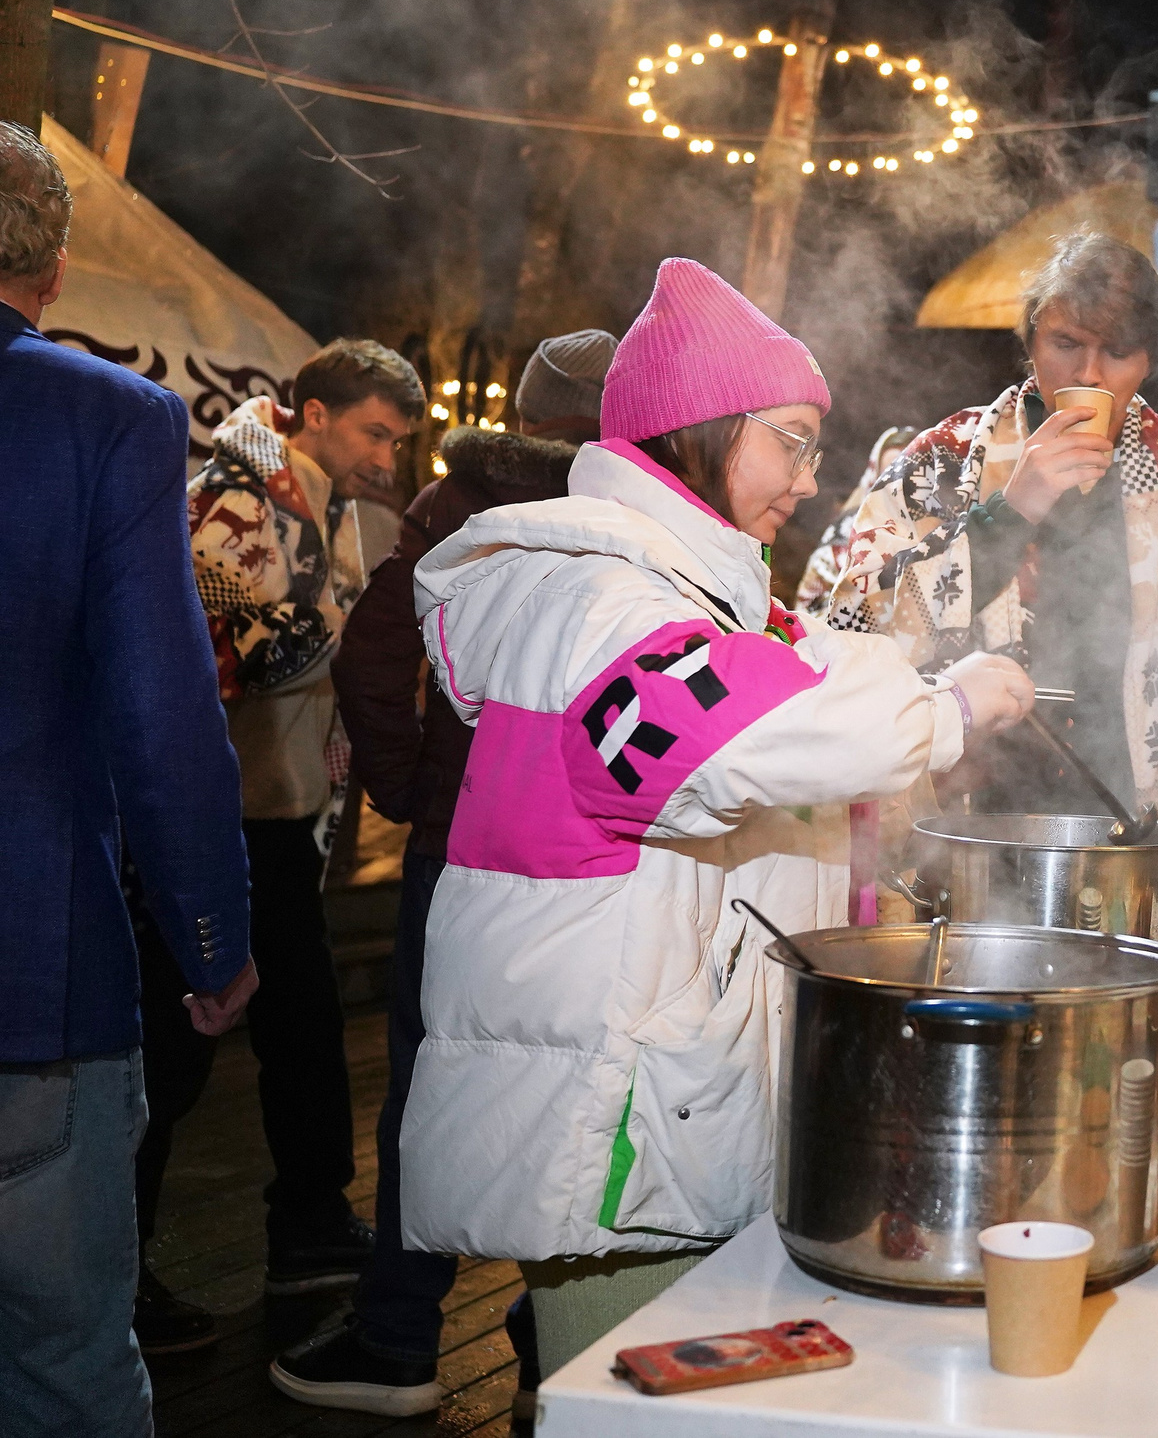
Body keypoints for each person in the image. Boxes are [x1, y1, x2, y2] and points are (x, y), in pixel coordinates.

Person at [396, 259, 1033, 1379]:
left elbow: (794, 662)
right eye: (788, 437)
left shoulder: (667, 592)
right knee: (624, 1398)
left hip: (649, 1094)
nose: (806, 474)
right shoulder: (606, 600)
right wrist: (948, 709)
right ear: (700, 430)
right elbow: (745, 733)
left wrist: (912, 682)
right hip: (615, 1127)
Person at [270, 330, 615, 1415]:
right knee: (574, 1086)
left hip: (464, 842)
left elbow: (376, 648)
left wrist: (409, 784)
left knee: (429, 1085)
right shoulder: (640, 514)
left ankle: (400, 1337)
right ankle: (548, 1344)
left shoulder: (463, 501)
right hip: (592, 845)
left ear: (521, 409)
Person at [801, 233, 1158, 988]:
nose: (1087, 374)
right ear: (1029, 338)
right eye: (1065, 343)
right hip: (958, 837)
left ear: (1150, 359)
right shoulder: (940, 462)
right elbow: (854, 631)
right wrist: (1013, 507)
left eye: (1116, 351)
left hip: (1127, 844)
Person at [0, 119, 257, 1436]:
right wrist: (211, 934)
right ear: (49, 265)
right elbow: (163, 707)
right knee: (63, 1364)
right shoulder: (110, 416)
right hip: (30, 979)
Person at [155, 337, 423, 1305]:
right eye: (375, 434)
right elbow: (240, 658)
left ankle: (308, 1225)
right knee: (176, 1046)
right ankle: (117, 1268)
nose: (388, 459)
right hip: (218, 815)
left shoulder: (326, 505)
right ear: (314, 416)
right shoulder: (230, 502)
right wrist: (376, 630)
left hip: (284, 808)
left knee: (302, 1031)